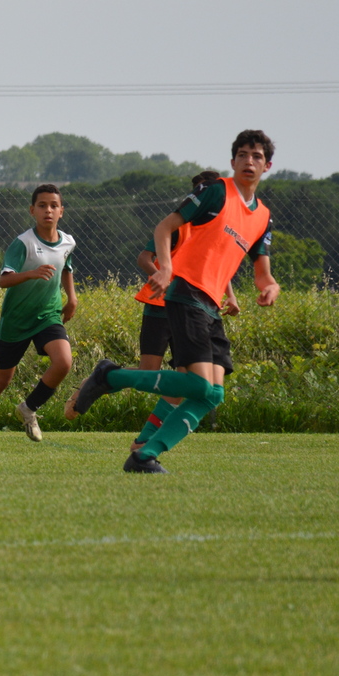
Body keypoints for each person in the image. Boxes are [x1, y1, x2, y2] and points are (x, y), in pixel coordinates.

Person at [66, 130, 279, 474]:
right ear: (232, 161)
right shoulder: (216, 192)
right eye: (242, 154)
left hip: (211, 306)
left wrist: (270, 287)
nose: (249, 161)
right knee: (198, 386)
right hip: (187, 294)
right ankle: (111, 377)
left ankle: (143, 456)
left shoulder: (263, 217)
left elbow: (262, 273)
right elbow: (164, 227)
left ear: (267, 166)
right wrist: (165, 268)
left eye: (256, 156)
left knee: (212, 395)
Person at [128, 170, 238, 455]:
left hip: (193, 309)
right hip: (160, 306)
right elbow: (144, 257)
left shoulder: (217, 229)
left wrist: (230, 296)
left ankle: (145, 439)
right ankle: (107, 376)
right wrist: (163, 276)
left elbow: (219, 266)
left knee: (186, 380)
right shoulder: (178, 225)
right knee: (148, 372)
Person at [0, 184, 78, 453]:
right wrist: (31, 273)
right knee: (0, 381)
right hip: (16, 320)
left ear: (61, 211)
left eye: (53, 206)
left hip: (48, 315)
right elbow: (4, 280)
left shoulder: (68, 242)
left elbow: (66, 268)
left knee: (63, 362)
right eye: (42, 205)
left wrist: (72, 298)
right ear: (31, 210)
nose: (48, 210)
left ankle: (28, 409)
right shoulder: (23, 243)